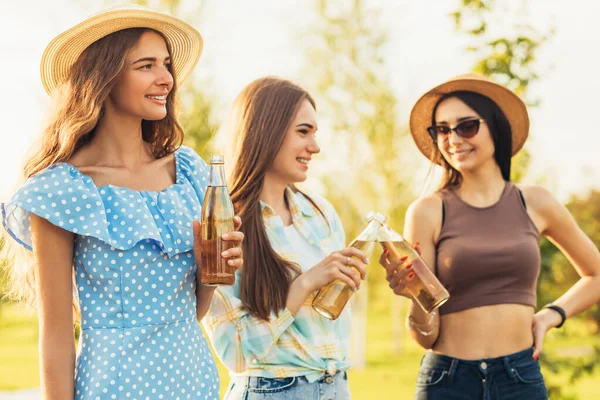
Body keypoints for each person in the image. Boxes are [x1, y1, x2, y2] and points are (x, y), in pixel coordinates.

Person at [1, 6, 243, 399]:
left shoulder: (191, 173)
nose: (166, 78)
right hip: (114, 388)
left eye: (166, 65)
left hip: (194, 381)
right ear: (105, 77)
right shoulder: (62, 191)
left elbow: (189, 314)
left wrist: (211, 271)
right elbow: (57, 338)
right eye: (146, 65)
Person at [381, 73, 600, 399]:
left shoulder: (536, 202)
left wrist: (550, 316)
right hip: (448, 381)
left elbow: (595, 274)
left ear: (495, 126)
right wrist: (415, 296)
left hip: (519, 378)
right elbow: (426, 336)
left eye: (466, 126)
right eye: (442, 130)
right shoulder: (426, 211)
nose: (453, 139)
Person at [202, 77, 367, 399]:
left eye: (315, 134)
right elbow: (234, 351)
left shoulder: (321, 213)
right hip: (271, 391)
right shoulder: (224, 223)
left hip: (335, 387)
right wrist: (303, 285)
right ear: (266, 130)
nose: (315, 146)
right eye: (303, 132)